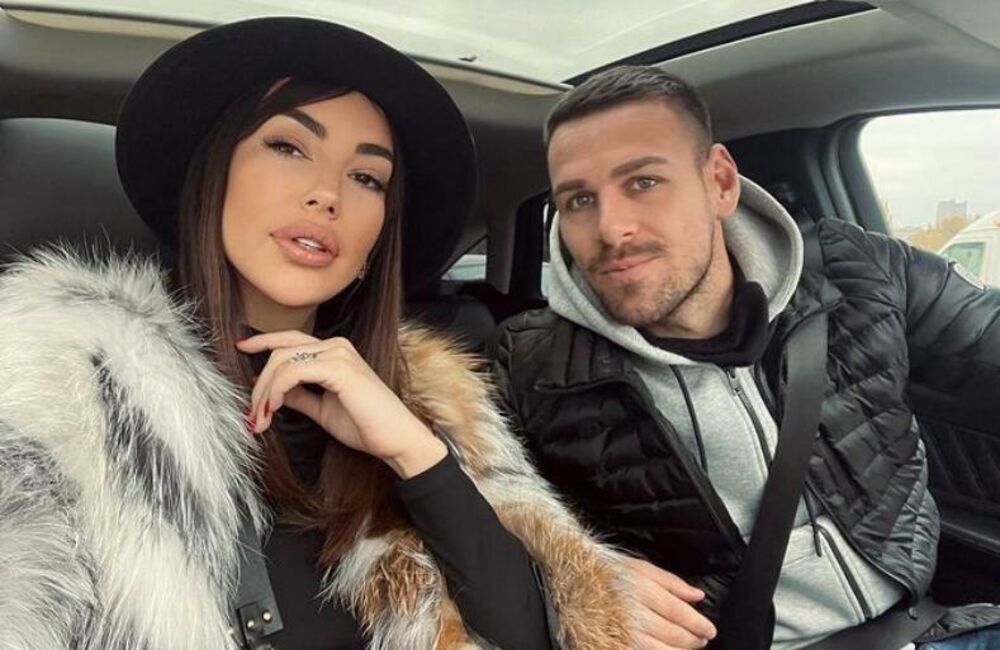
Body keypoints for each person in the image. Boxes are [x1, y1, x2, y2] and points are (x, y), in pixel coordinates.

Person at [0, 18, 636, 650]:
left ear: (374, 242)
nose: (327, 194)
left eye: (367, 178)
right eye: (288, 147)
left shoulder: (434, 405)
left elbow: (531, 637)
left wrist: (414, 451)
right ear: (213, 177)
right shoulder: (62, 385)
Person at [490, 65, 1000, 650]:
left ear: (720, 183)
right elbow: (471, 514)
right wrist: (574, 571)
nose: (611, 228)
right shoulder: (532, 362)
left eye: (643, 182)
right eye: (580, 200)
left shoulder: (856, 269)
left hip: (927, 626)